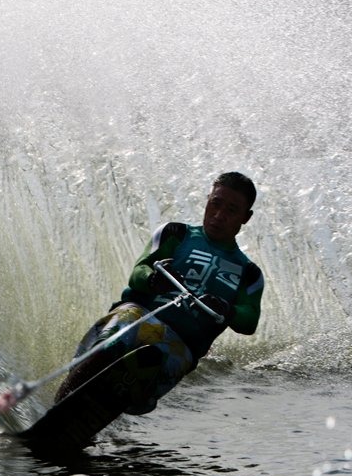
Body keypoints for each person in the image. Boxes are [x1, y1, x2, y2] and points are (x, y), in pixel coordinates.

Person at [55, 171, 265, 414]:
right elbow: (138, 272)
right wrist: (153, 279)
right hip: (138, 315)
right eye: (215, 204)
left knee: (151, 360)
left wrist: (227, 309)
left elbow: (250, 320)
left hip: (181, 344)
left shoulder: (249, 273)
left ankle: (96, 412)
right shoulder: (175, 234)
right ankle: (63, 403)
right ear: (208, 200)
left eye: (231, 210)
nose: (219, 215)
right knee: (117, 340)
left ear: (246, 217)